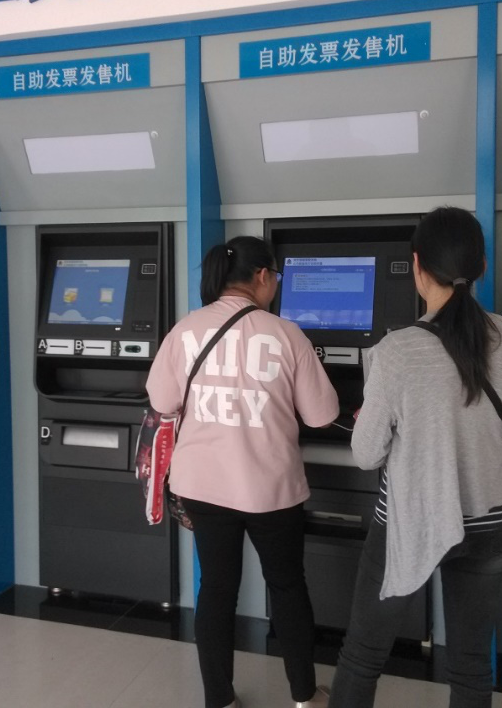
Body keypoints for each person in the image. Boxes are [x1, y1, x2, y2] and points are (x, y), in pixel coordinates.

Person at [329, 207, 502, 708]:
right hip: (487, 521)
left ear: (418, 266)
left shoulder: (396, 350)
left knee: (363, 655)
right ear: (481, 266)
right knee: (471, 667)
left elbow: (366, 454)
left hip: (410, 522)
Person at [146, 235, 339, 708]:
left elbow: (162, 400)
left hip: (203, 486)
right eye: (276, 276)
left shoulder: (185, 330)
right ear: (261, 276)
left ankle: (220, 699)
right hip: (271, 489)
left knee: (215, 589)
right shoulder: (286, 334)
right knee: (287, 586)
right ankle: (304, 695)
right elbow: (322, 415)